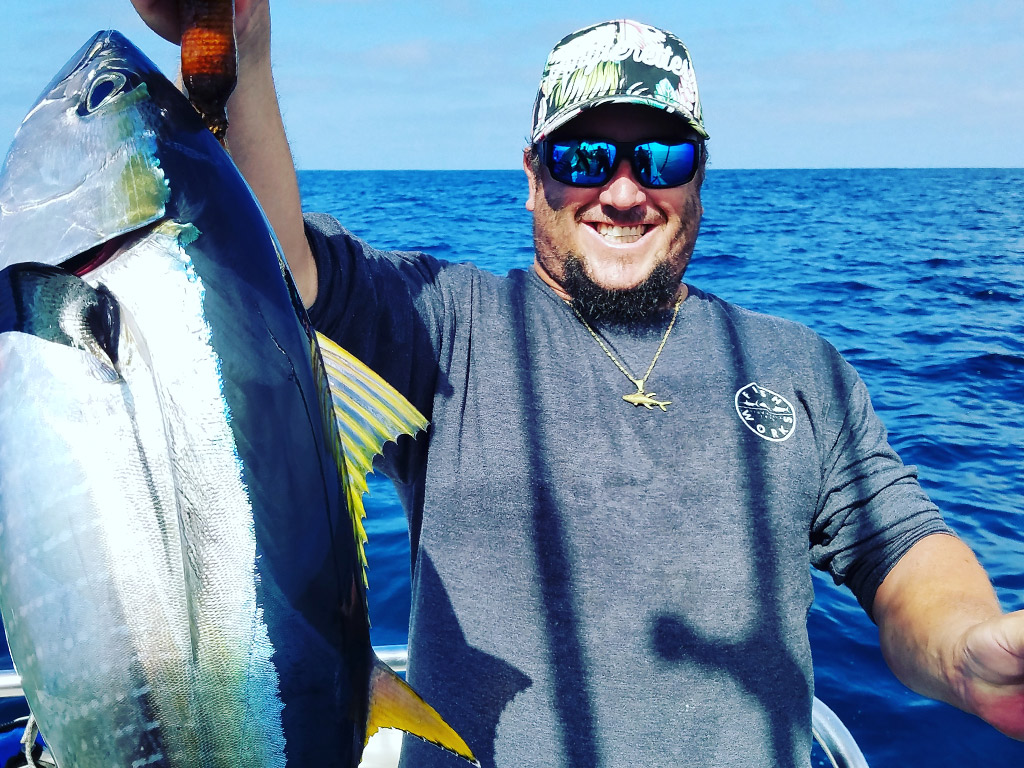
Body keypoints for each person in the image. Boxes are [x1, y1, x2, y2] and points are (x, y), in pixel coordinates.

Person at [133, 3, 1024, 766]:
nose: (625, 193)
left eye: (662, 158)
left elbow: (901, 550)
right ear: (533, 178)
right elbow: (279, 275)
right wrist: (243, 46)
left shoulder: (799, 365)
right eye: (586, 156)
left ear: (700, 180)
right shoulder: (446, 327)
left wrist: (966, 651)